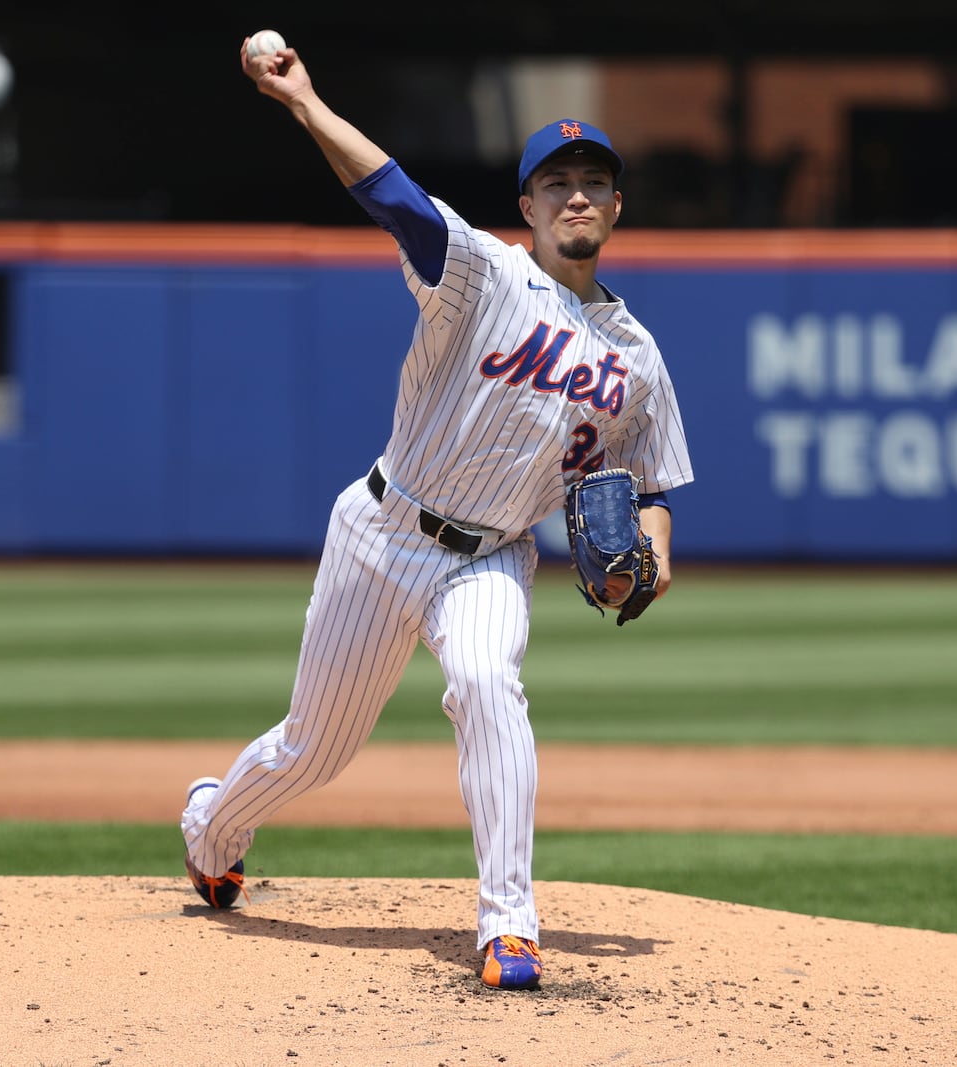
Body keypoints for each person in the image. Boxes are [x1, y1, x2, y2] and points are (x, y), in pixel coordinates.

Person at [181, 35, 695, 990]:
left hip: (491, 558)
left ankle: (510, 926)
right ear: (528, 207)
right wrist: (303, 100)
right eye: (557, 182)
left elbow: (651, 487)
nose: (576, 194)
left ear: (618, 205)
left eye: (594, 181)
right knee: (313, 748)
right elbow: (395, 197)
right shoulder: (488, 276)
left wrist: (653, 559)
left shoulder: (641, 359)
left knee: (487, 684)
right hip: (382, 533)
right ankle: (212, 825)